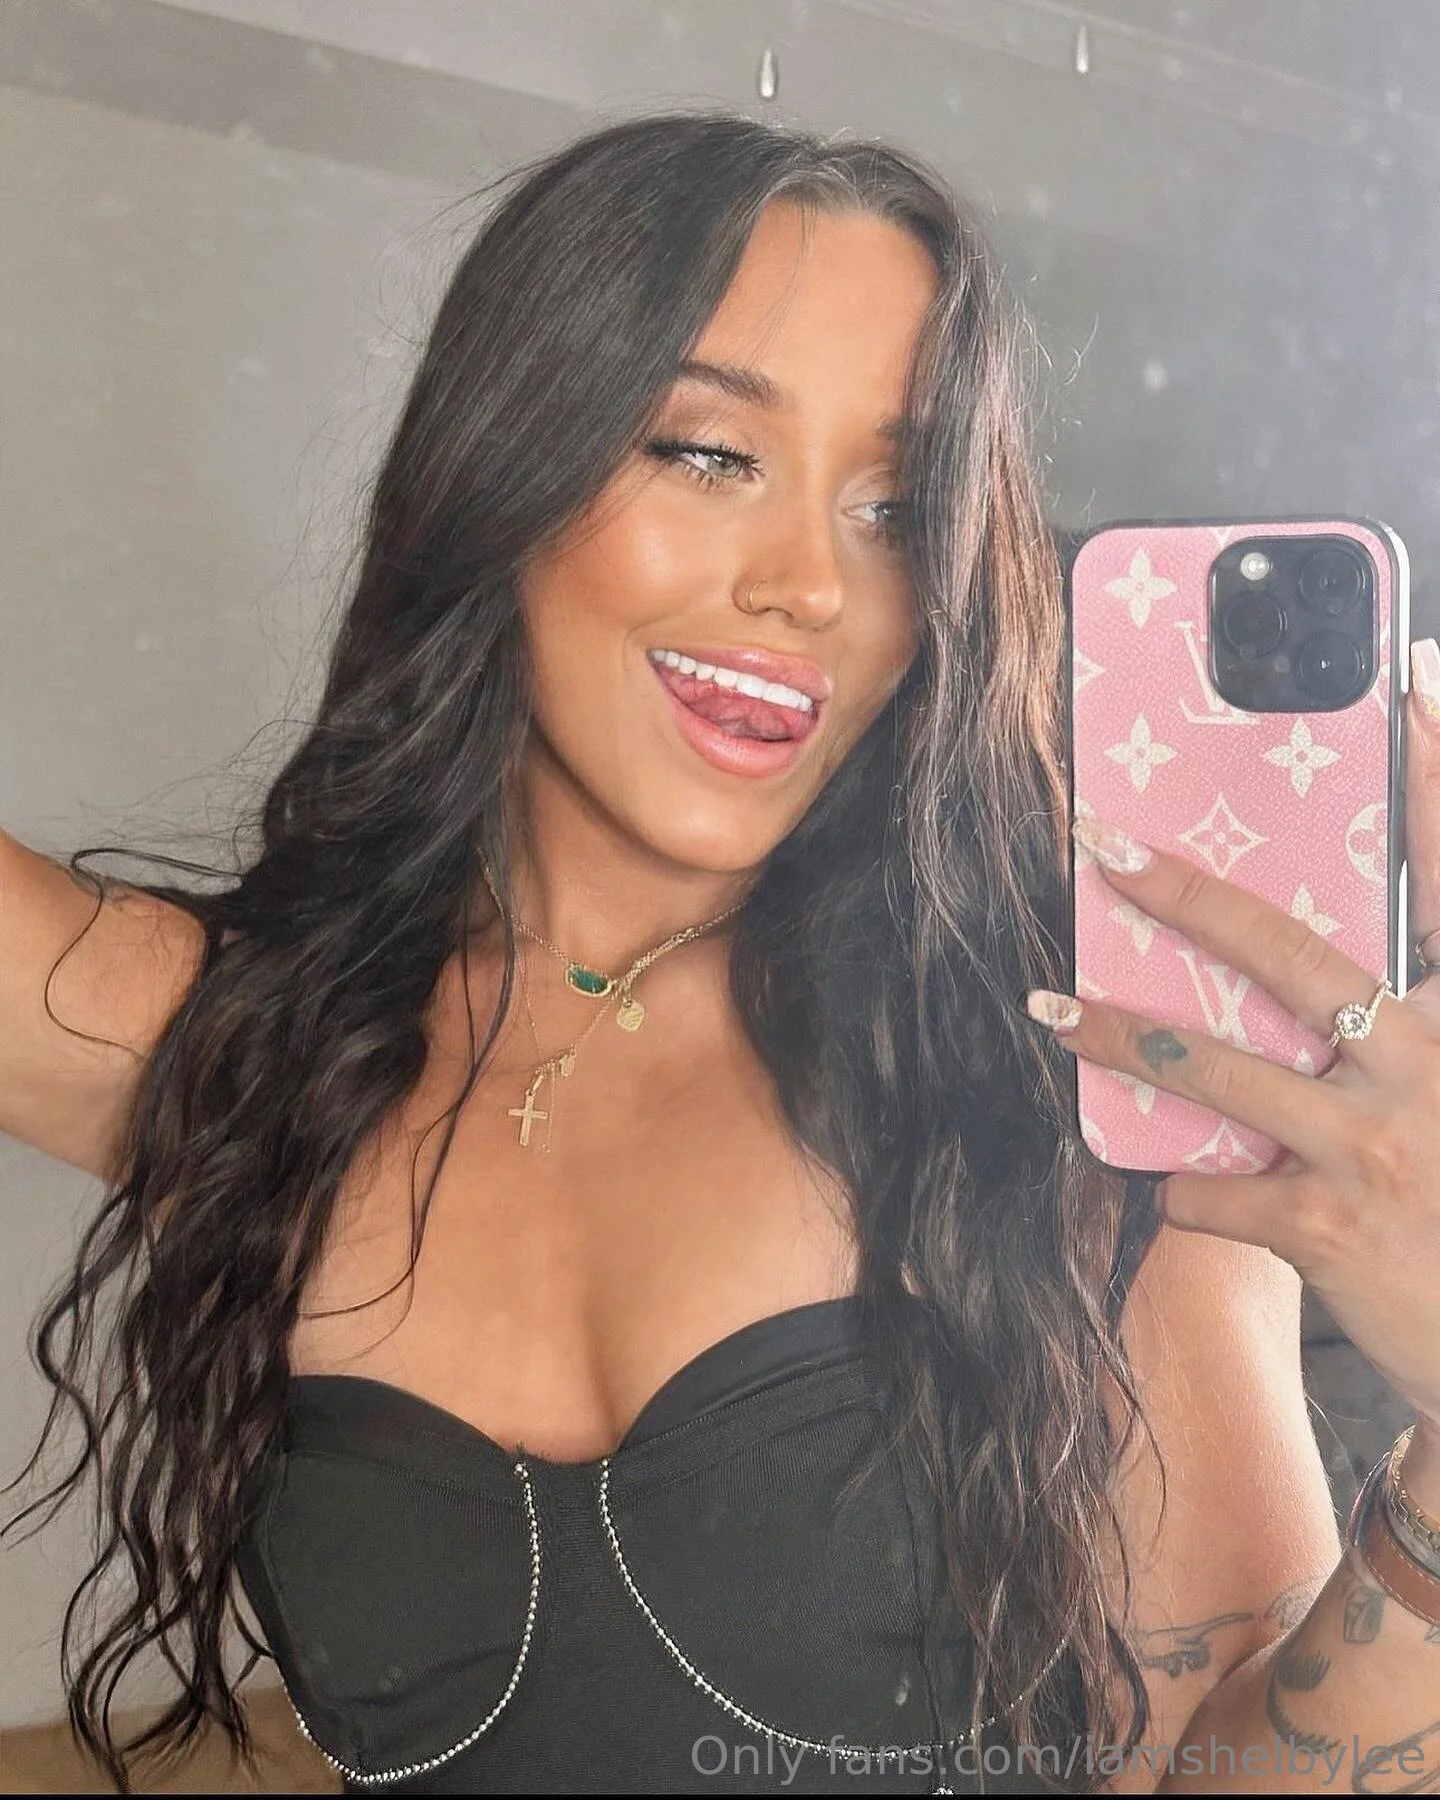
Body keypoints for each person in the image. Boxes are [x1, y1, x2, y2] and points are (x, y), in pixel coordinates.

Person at [2, 109, 1438, 1797]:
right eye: (706, 453)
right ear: (505, 468)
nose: (812, 585)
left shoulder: (1076, 1082)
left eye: (898, 505)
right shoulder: (251, 1052)